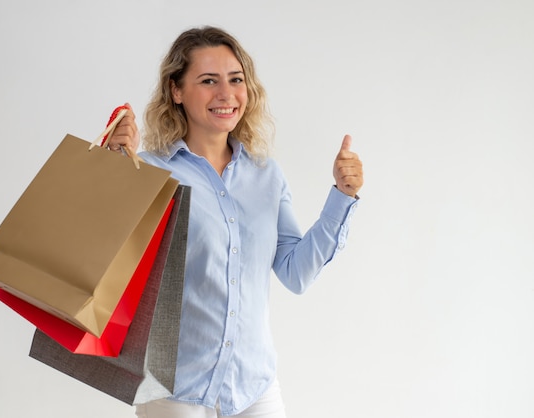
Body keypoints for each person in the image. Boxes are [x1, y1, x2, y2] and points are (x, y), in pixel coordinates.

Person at [105, 26, 363, 418]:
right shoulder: (150, 171)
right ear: (176, 91)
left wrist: (341, 197)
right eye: (208, 81)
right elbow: (111, 259)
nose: (226, 94)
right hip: (174, 391)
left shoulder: (267, 176)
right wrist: (112, 170)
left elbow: (296, 273)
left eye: (236, 79)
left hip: (254, 387)